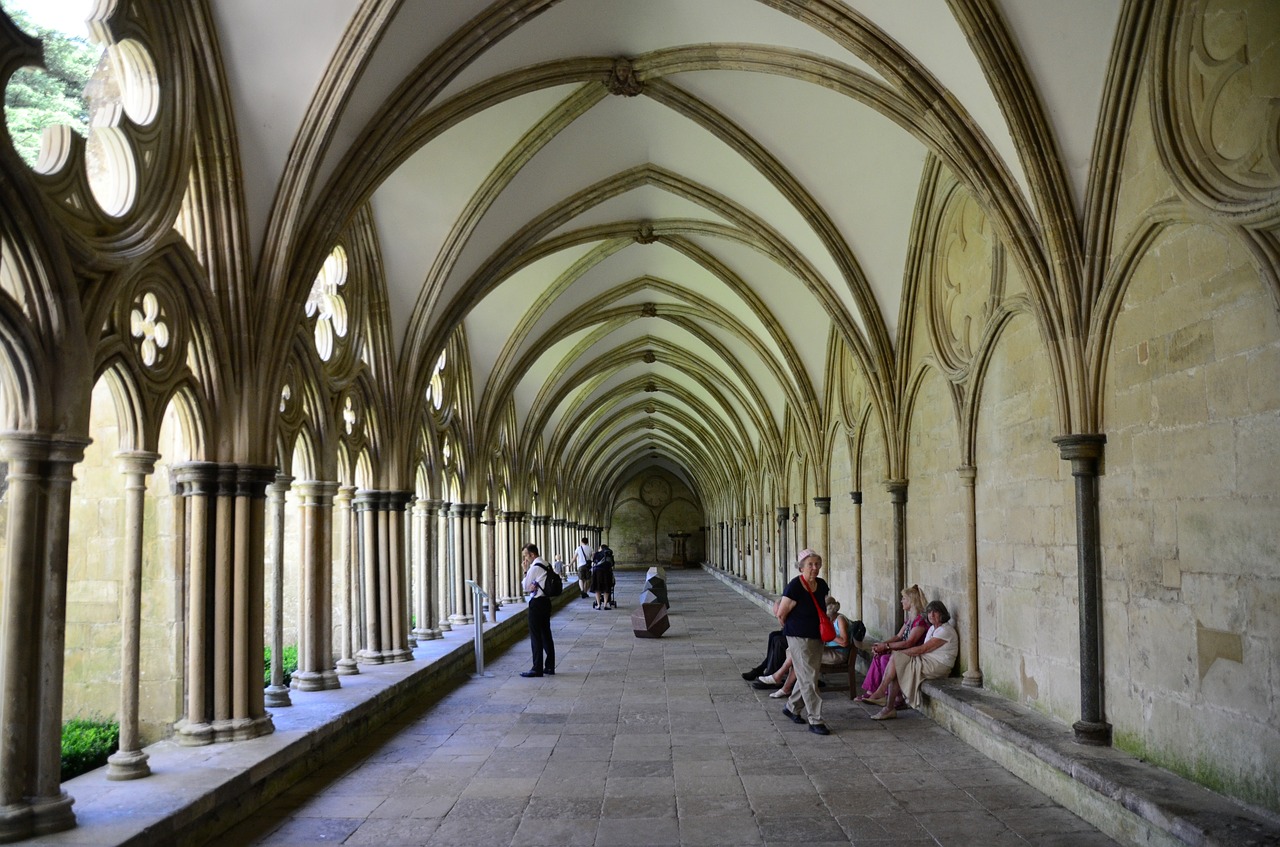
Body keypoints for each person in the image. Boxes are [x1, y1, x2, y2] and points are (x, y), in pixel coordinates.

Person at [774, 548, 831, 735]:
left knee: (810, 677)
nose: (814, 568)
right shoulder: (795, 586)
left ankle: (791, 707)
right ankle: (816, 720)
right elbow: (781, 614)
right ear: (801, 567)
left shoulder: (821, 585)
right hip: (798, 637)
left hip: (817, 636)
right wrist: (791, 630)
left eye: (817, 564)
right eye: (810, 564)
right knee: (808, 678)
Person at [869, 600, 958, 720]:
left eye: (935, 612)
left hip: (938, 665)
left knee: (897, 659)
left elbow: (923, 649)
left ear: (942, 614)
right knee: (897, 664)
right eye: (929, 612)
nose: (931, 615)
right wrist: (897, 654)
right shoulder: (933, 628)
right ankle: (888, 707)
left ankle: (883, 695)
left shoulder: (945, 631)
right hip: (927, 660)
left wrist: (899, 653)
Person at [761, 597, 861, 699]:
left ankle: (780, 680)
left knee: (800, 655)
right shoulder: (828, 619)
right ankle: (784, 685)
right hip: (826, 650)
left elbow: (844, 642)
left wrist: (828, 634)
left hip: (837, 654)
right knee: (797, 651)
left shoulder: (840, 620)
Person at [855, 584, 928, 704]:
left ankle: (893, 696)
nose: (901, 601)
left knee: (886, 659)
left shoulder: (919, 621)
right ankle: (871, 692)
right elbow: (898, 636)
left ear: (912, 601)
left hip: (912, 654)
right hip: (903, 651)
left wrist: (886, 647)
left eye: (904, 598)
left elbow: (909, 643)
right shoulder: (910, 619)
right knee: (879, 654)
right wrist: (881, 645)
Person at [519, 543, 555, 677]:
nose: (525, 560)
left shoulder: (534, 567)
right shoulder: (545, 563)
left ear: (532, 555)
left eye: (525, 556)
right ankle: (550, 666)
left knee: (535, 636)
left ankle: (537, 668)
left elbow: (526, 587)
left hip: (537, 603)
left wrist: (525, 570)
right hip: (546, 602)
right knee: (546, 634)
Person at [591, 544, 615, 609]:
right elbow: (612, 564)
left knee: (597, 588)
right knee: (606, 588)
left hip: (597, 572)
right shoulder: (609, 554)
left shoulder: (597, 554)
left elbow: (594, 562)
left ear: (601, 548)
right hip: (607, 572)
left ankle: (598, 605)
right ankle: (605, 605)